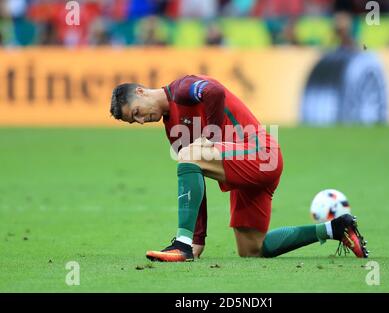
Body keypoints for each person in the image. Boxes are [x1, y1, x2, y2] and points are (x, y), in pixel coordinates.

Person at [109, 75, 369, 262]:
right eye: (135, 121)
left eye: (137, 112)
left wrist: (209, 136)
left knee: (189, 155)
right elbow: (193, 182)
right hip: (245, 172)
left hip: (260, 152)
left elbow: (215, 92)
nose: (142, 120)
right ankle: (336, 228)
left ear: (141, 92)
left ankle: (181, 243)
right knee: (253, 249)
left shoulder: (181, 88)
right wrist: (198, 240)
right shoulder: (173, 131)